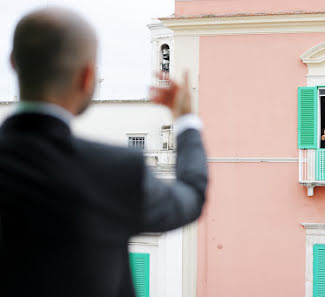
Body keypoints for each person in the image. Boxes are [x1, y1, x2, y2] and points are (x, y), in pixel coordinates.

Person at [0, 8, 208, 297]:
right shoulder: (116, 171)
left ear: (14, 63)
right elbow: (192, 196)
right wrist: (186, 120)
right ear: (87, 77)